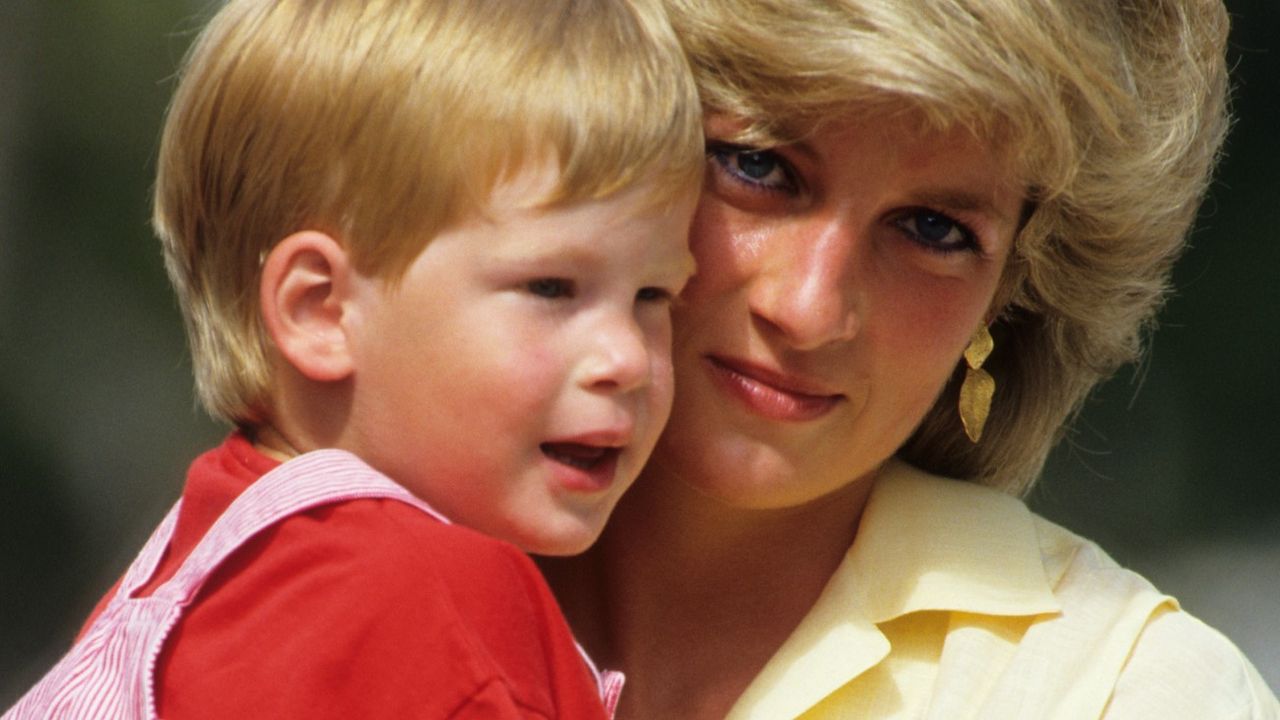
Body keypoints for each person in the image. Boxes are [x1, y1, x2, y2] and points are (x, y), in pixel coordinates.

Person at [539, 0, 1280, 717]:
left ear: (1011, 294)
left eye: (931, 229)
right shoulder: (425, 534)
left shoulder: (1129, 695)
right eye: (757, 165)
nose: (809, 310)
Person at [5, 0, 701, 717]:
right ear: (321, 311)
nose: (627, 358)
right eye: (551, 287)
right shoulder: (435, 606)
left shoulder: (192, 576)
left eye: (656, 296)